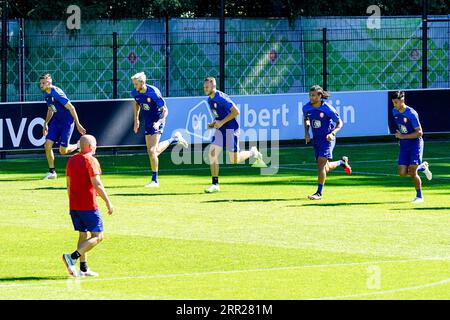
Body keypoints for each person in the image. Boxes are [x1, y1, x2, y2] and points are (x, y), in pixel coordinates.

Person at [203, 77, 266, 193]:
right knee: (212, 153)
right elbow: (219, 116)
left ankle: (253, 152)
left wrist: (221, 122)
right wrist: (213, 124)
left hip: (231, 129)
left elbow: (236, 111)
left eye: (207, 87)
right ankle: (215, 184)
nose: (205, 89)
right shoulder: (209, 100)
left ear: (213, 86)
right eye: (204, 87)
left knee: (234, 159)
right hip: (221, 130)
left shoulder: (221, 98)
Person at [62, 135, 113, 277]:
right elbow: (97, 184)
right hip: (88, 206)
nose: (96, 147)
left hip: (75, 205)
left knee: (83, 234)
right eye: (95, 144)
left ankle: (83, 268)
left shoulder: (71, 160)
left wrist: (71, 204)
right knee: (98, 236)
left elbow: (68, 184)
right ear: (90, 146)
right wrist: (108, 202)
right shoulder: (91, 160)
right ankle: (72, 257)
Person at [131, 72, 188, 187]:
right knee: (152, 151)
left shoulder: (154, 93)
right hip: (148, 121)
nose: (134, 86)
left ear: (143, 83)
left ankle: (155, 180)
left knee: (152, 151)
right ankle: (175, 138)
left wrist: (158, 122)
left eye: (136, 84)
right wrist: (136, 120)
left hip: (158, 120)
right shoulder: (135, 92)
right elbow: (136, 103)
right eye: (134, 84)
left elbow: (165, 110)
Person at [303, 85, 352, 200]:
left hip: (327, 139)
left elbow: (340, 123)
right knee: (324, 167)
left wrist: (333, 133)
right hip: (316, 139)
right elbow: (306, 119)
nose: (311, 97)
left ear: (320, 96)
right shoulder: (306, 108)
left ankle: (319, 193)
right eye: (310, 95)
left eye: (314, 95)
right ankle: (342, 163)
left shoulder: (328, 109)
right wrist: (306, 132)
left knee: (320, 164)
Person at [39, 73, 86, 180]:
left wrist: (78, 124)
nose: (41, 85)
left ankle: (77, 146)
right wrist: (45, 123)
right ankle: (52, 172)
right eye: (40, 83)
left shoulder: (56, 93)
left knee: (63, 151)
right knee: (47, 145)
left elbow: (71, 107)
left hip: (66, 122)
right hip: (56, 121)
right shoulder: (46, 94)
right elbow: (51, 109)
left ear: (49, 83)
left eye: (43, 83)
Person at [391, 91, 432, 203]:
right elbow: (402, 127)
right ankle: (422, 167)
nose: (394, 105)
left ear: (402, 100)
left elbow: (419, 133)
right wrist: (401, 138)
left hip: (415, 144)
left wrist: (403, 136)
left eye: (396, 102)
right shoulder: (394, 111)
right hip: (404, 144)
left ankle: (419, 196)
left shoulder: (412, 113)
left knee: (413, 172)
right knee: (402, 172)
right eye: (393, 102)